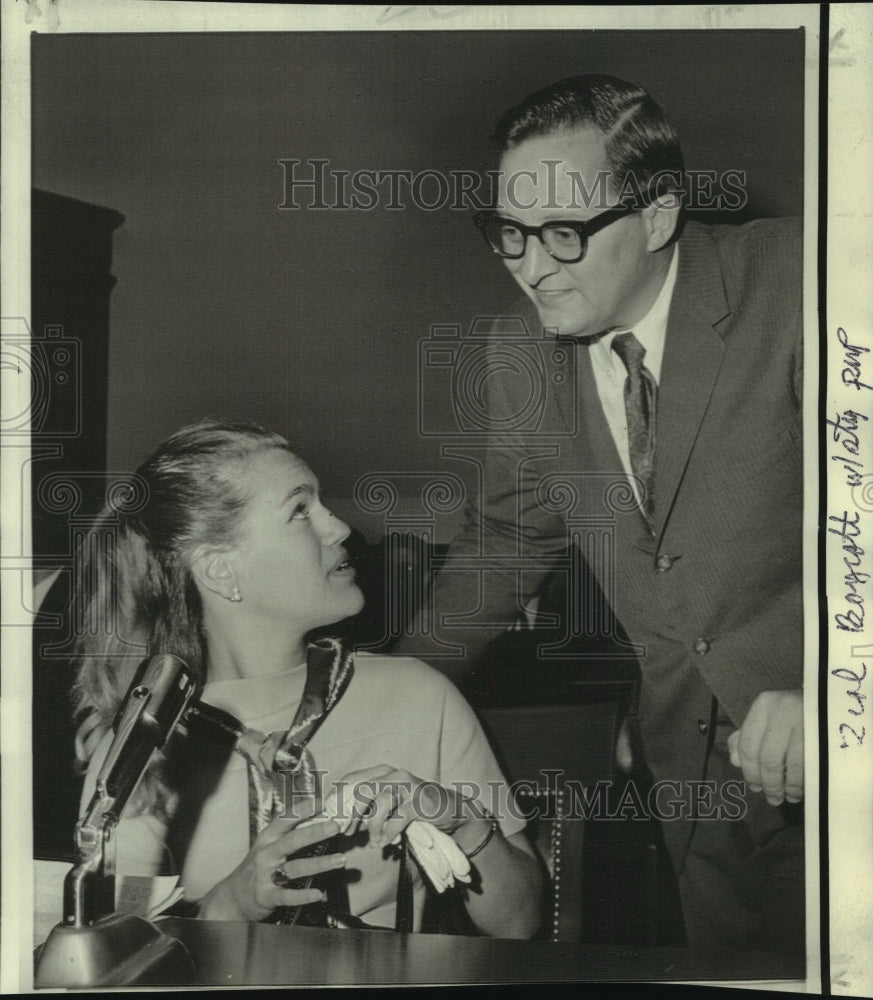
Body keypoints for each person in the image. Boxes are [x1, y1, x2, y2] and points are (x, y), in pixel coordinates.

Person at [396, 74, 804, 953]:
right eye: (508, 231)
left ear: (655, 218)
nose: (530, 266)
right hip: (696, 784)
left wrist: (846, 684)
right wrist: (386, 691)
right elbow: (506, 544)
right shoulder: (517, 352)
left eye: (563, 234)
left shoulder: (803, 280)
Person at [71, 419, 543, 936]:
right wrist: (228, 904)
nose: (338, 527)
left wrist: (468, 824)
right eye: (301, 510)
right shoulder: (147, 738)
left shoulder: (420, 696)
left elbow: (521, 922)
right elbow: (119, 930)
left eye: (323, 503)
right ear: (220, 571)